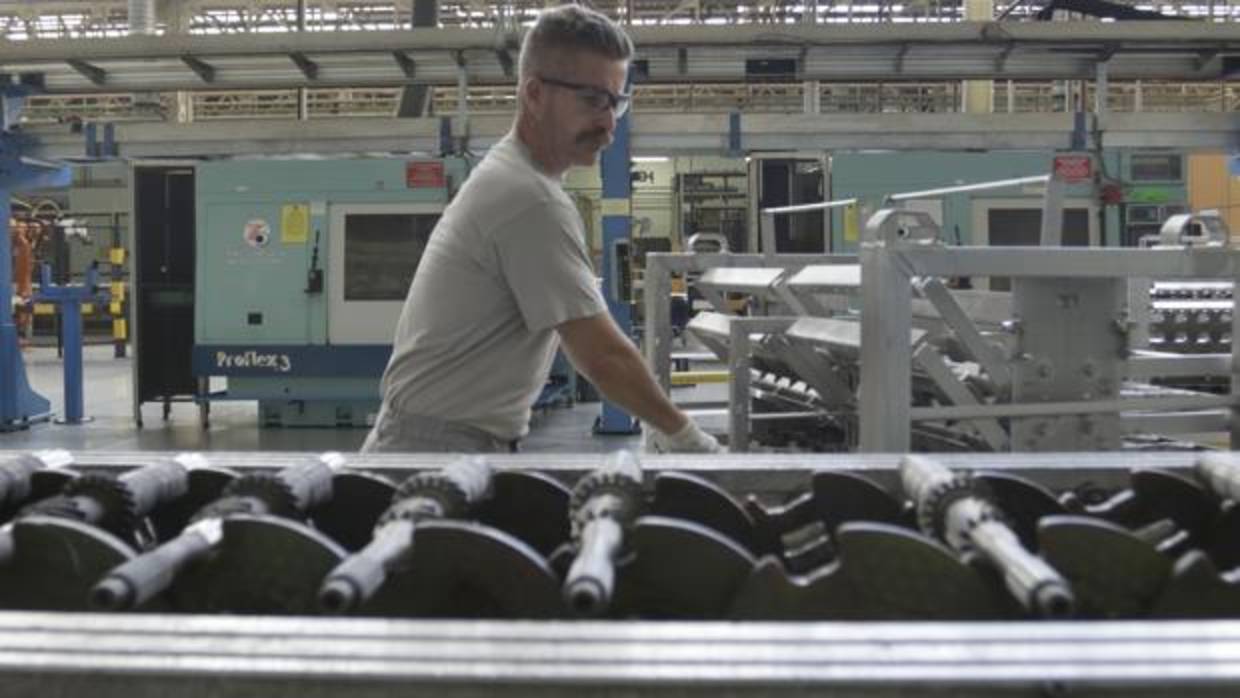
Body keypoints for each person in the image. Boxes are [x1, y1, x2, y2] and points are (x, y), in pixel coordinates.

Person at [362, 4, 720, 455]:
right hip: (436, 450)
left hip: (442, 440)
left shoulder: (514, 176)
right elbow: (601, 355)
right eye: (593, 99)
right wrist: (688, 437)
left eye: (616, 101)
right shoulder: (529, 198)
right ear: (534, 94)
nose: (610, 121)